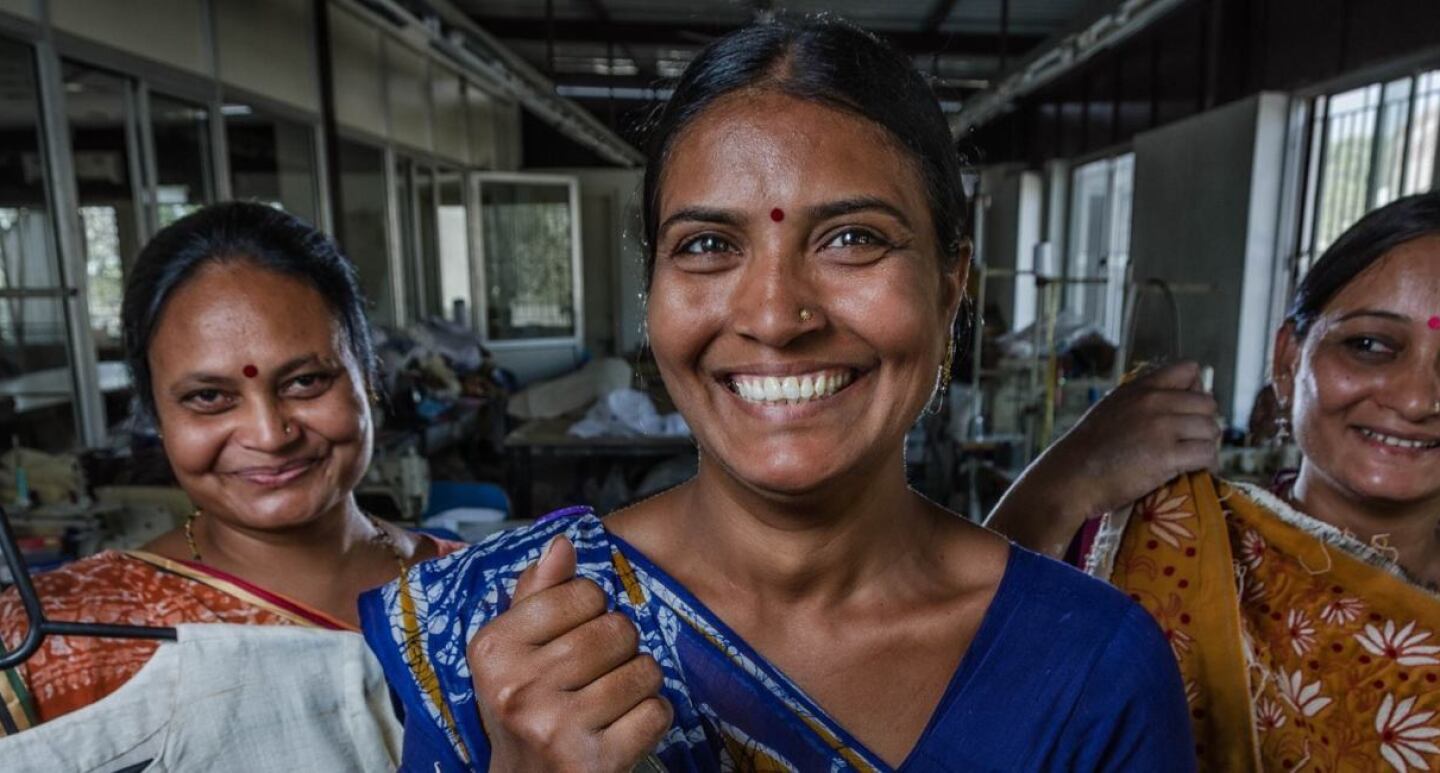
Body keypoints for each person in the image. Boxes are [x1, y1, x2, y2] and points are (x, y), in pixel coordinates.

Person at [361, 18, 1193, 772]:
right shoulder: (504, 638)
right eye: (709, 244)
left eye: (853, 238)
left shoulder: (1091, 668)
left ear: (951, 285)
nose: (774, 315)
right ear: (652, 289)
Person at [990, 191, 1440, 771]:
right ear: (1287, 361)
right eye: (1370, 346)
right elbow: (955, 705)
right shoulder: (1154, 545)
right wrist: (1058, 483)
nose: (1415, 399)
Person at [0, 202, 462, 734]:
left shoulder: (492, 596)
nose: (269, 435)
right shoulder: (61, 632)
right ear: (155, 413)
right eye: (209, 396)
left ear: (369, 376)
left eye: (306, 382)